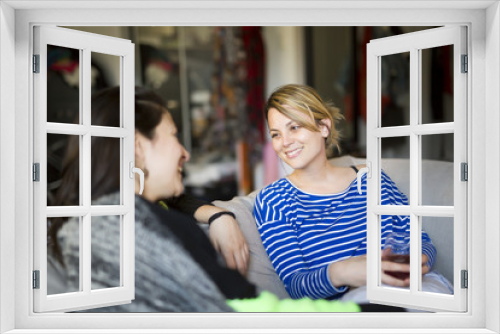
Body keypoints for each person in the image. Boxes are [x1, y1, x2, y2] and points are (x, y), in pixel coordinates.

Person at [50, 86, 391, 313]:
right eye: (173, 136)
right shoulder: (154, 230)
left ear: (324, 128)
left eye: (295, 128)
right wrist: (361, 311)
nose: (184, 152)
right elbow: (247, 308)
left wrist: (216, 214)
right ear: (139, 147)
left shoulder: (89, 227)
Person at [253, 84, 453, 301]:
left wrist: (417, 261)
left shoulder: (370, 179)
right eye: (276, 134)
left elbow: (421, 240)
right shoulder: (274, 200)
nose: (285, 142)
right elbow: (296, 285)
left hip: (416, 287)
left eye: (294, 127)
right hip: (355, 304)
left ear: (324, 127)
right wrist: (343, 272)